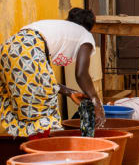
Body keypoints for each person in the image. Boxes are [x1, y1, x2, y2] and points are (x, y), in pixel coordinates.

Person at [0, 7, 106, 138]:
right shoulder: (85, 35)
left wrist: (69, 92)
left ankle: (32, 149)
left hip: (8, 48)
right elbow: (81, 74)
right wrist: (97, 103)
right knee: (44, 111)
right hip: (28, 51)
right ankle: (39, 152)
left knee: (27, 110)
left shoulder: (53, 28)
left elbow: (43, 81)